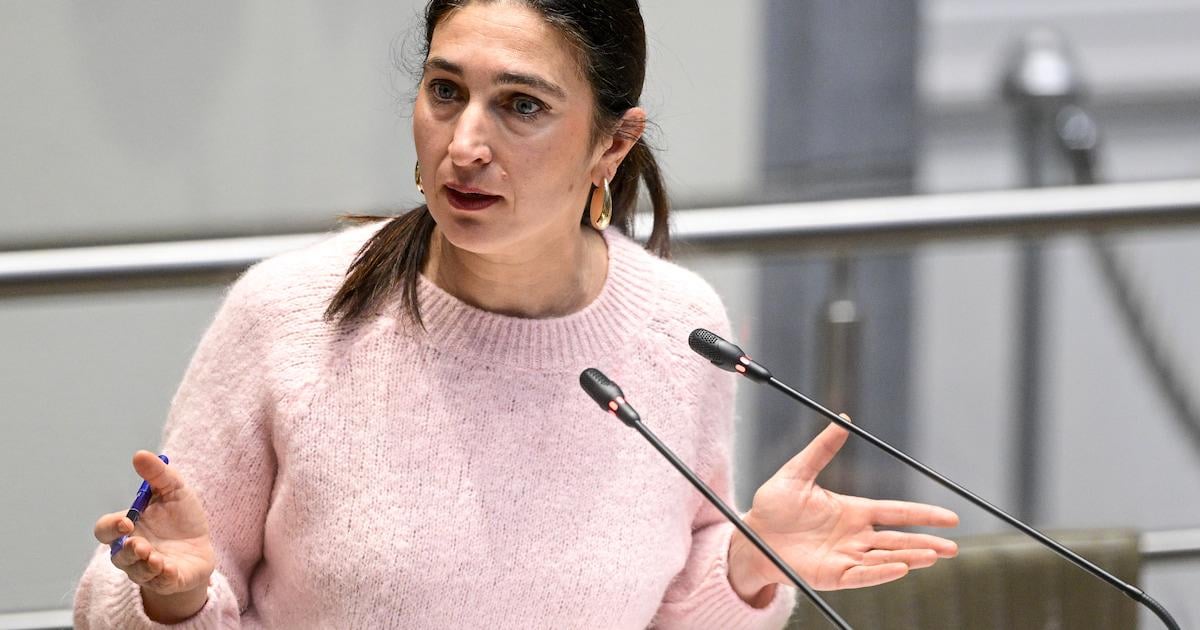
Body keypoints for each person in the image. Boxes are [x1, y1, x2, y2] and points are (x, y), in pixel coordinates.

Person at [75, 1, 959, 627]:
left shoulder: (679, 325)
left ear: (613, 143)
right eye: (445, 91)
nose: (464, 145)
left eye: (521, 106)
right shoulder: (288, 315)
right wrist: (171, 600)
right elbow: (145, 587)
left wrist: (744, 567)